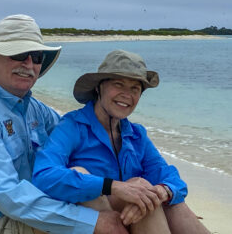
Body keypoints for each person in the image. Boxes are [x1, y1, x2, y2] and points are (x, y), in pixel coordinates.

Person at [0, 15, 130, 234]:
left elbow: (82, 143)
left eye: (36, 56)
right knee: (92, 207)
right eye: (18, 54)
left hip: (19, 210)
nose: (28, 64)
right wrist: (96, 222)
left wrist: (110, 108)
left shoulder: (34, 109)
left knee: (139, 201)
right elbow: (11, 197)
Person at [32, 50, 211, 233]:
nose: (127, 94)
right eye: (119, 84)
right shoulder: (73, 126)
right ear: (98, 87)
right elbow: (44, 175)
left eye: (135, 88)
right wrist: (112, 187)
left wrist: (163, 191)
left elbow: (170, 176)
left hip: (135, 220)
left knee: (162, 197)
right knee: (90, 175)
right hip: (96, 223)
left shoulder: (136, 135)